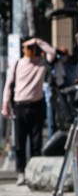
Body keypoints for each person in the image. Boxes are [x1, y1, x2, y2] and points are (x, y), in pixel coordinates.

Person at [1, 37, 56, 185]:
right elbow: (8, 85)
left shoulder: (41, 64)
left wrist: (38, 41)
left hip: (37, 105)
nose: (31, 49)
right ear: (22, 48)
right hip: (20, 106)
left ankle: (34, 171)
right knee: (19, 142)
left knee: (36, 142)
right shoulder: (17, 64)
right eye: (28, 47)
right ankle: (21, 172)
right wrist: (5, 105)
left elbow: (52, 52)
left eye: (33, 47)